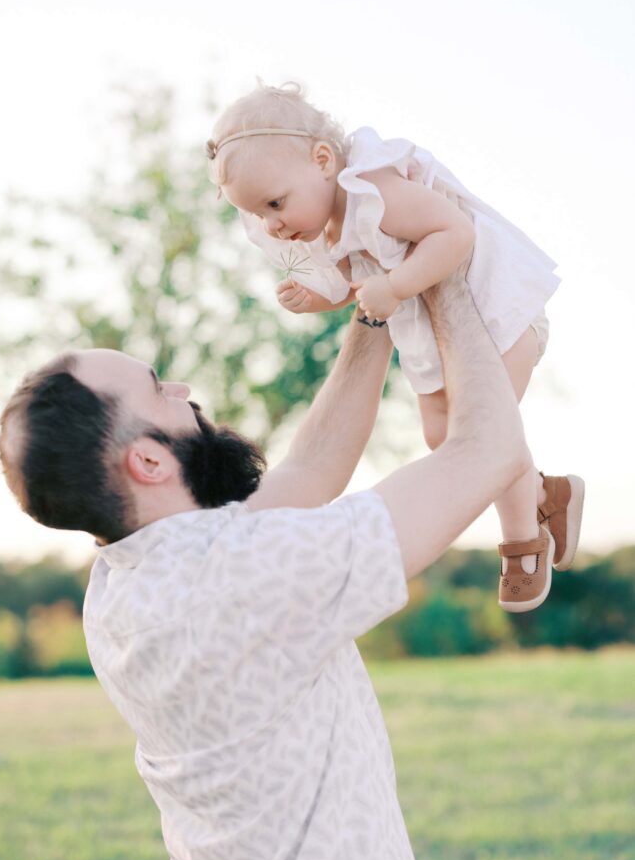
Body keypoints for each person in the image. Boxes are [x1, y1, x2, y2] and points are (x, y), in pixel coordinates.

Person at [0, 267, 534, 860]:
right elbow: (488, 451)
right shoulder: (241, 576)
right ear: (149, 463)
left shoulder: (125, 585)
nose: (183, 391)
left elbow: (309, 472)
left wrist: (374, 318)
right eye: (159, 389)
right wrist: (442, 272)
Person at [206, 82, 584, 612]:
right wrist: (314, 297)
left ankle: (523, 536)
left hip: (497, 312)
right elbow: (351, 288)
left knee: (485, 431)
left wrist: (398, 286)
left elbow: (454, 233)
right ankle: (547, 496)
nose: (273, 223)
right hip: (435, 334)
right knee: (440, 437)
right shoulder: (328, 225)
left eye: (276, 203)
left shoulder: (374, 189)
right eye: (260, 215)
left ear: (321, 160)